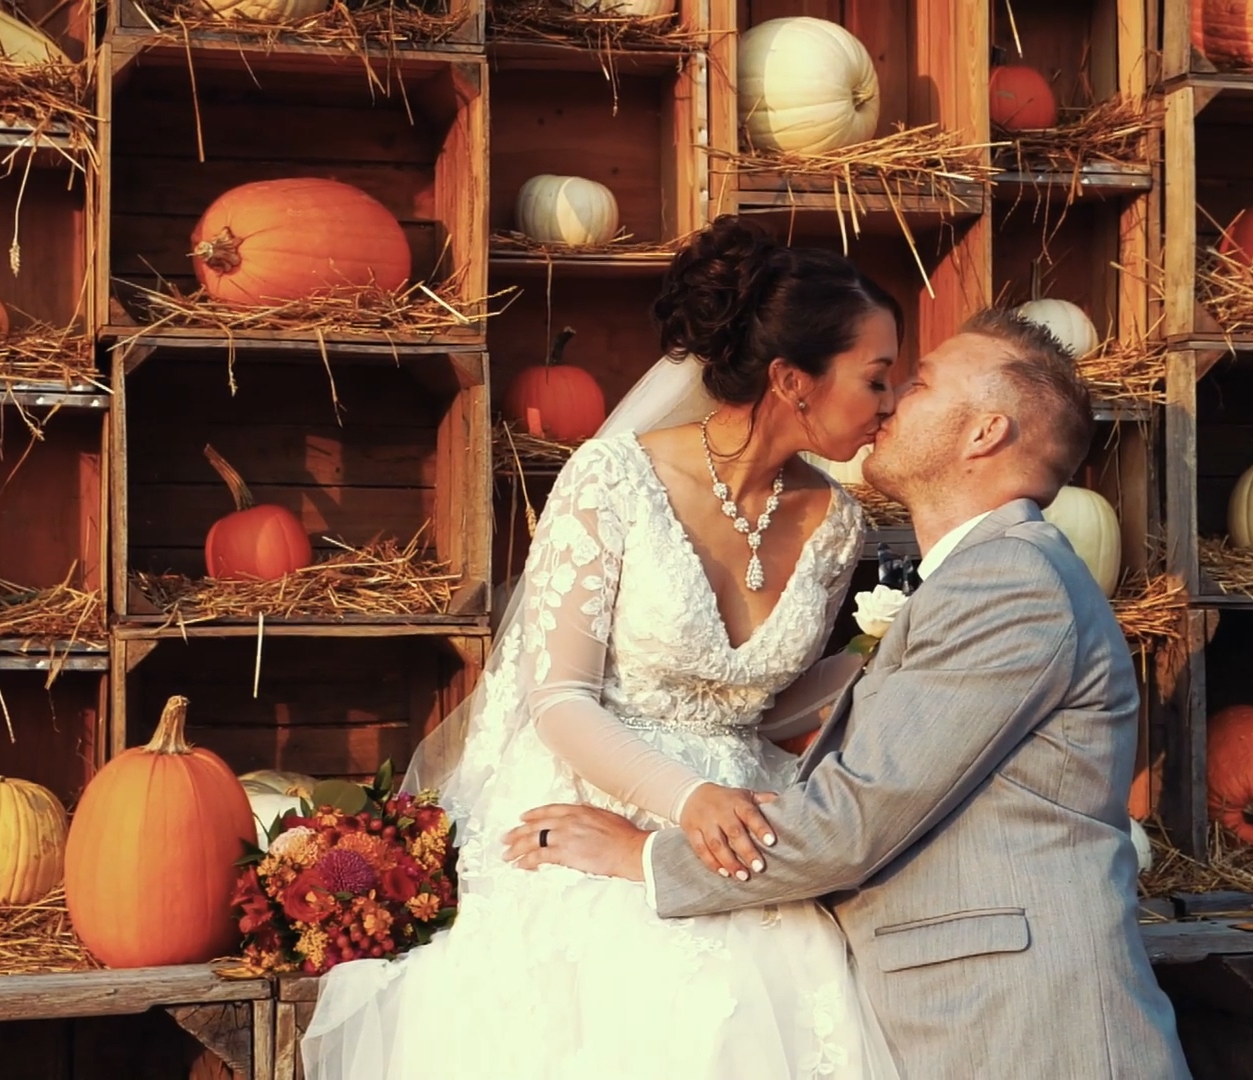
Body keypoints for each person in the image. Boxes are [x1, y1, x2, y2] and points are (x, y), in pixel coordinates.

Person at [505, 313, 1193, 1079]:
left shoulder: (1011, 584)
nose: (891, 399)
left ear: (984, 433)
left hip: (1022, 1029)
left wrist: (640, 853)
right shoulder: (984, 577)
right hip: (964, 1015)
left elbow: (854, 820)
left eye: (922, 383)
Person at [300, 215, 905, 1079]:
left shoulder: (837, 521)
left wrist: (881, 666)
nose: (889, 405)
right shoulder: (614, 478)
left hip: (741, 812)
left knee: (798, 978)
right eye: (876, 380)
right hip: (592, 784)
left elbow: (759, 702)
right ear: (792, 379)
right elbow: (560, 700)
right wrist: (685, 799)